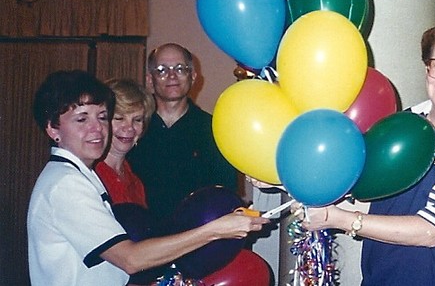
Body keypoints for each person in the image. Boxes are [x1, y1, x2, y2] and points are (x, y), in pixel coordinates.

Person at [298, 13, 435, 286]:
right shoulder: (406, 122)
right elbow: (371, 193)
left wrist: (338, 219)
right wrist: (295, 185)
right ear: (427, 69)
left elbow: (431, 231)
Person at [27, 70, 268, 286]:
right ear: (53, 129)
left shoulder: (82, 175)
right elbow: (130, 259)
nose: (97, 128)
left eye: (101, 117)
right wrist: (215, 230)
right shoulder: (66, 185)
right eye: (82, 119)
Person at [128, 43, 238, 222]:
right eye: (162, 70)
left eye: (180, 69)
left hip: (197, 233)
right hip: (140, 233)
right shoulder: (131, 128)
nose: (171, 76)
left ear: (193, 77)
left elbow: (225, 195)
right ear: (149, 79)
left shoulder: (214, 130)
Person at [95, 78, 155, 207]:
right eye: (119, 118)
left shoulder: (136, 182)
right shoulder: (90, 174)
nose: (129, 128)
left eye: (137, 120)